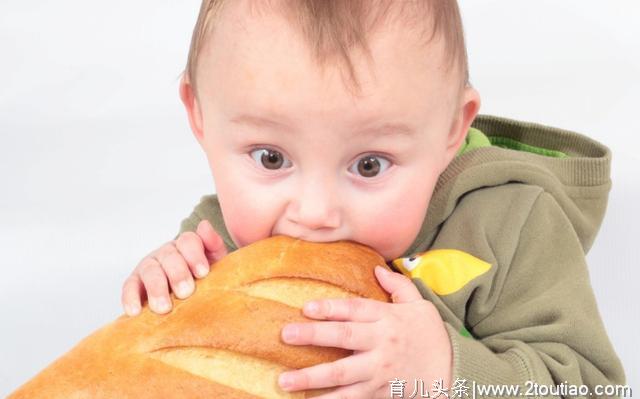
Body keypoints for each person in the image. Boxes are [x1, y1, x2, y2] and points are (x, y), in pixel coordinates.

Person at [120, 0, 625, 397]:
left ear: (452, 127)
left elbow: (590, 388)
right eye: (271, 158)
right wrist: (159, 297)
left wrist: (444, 372)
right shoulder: (215, 239)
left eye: (369, 165)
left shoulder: (513, 226)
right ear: (200, 115)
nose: (314, 214)